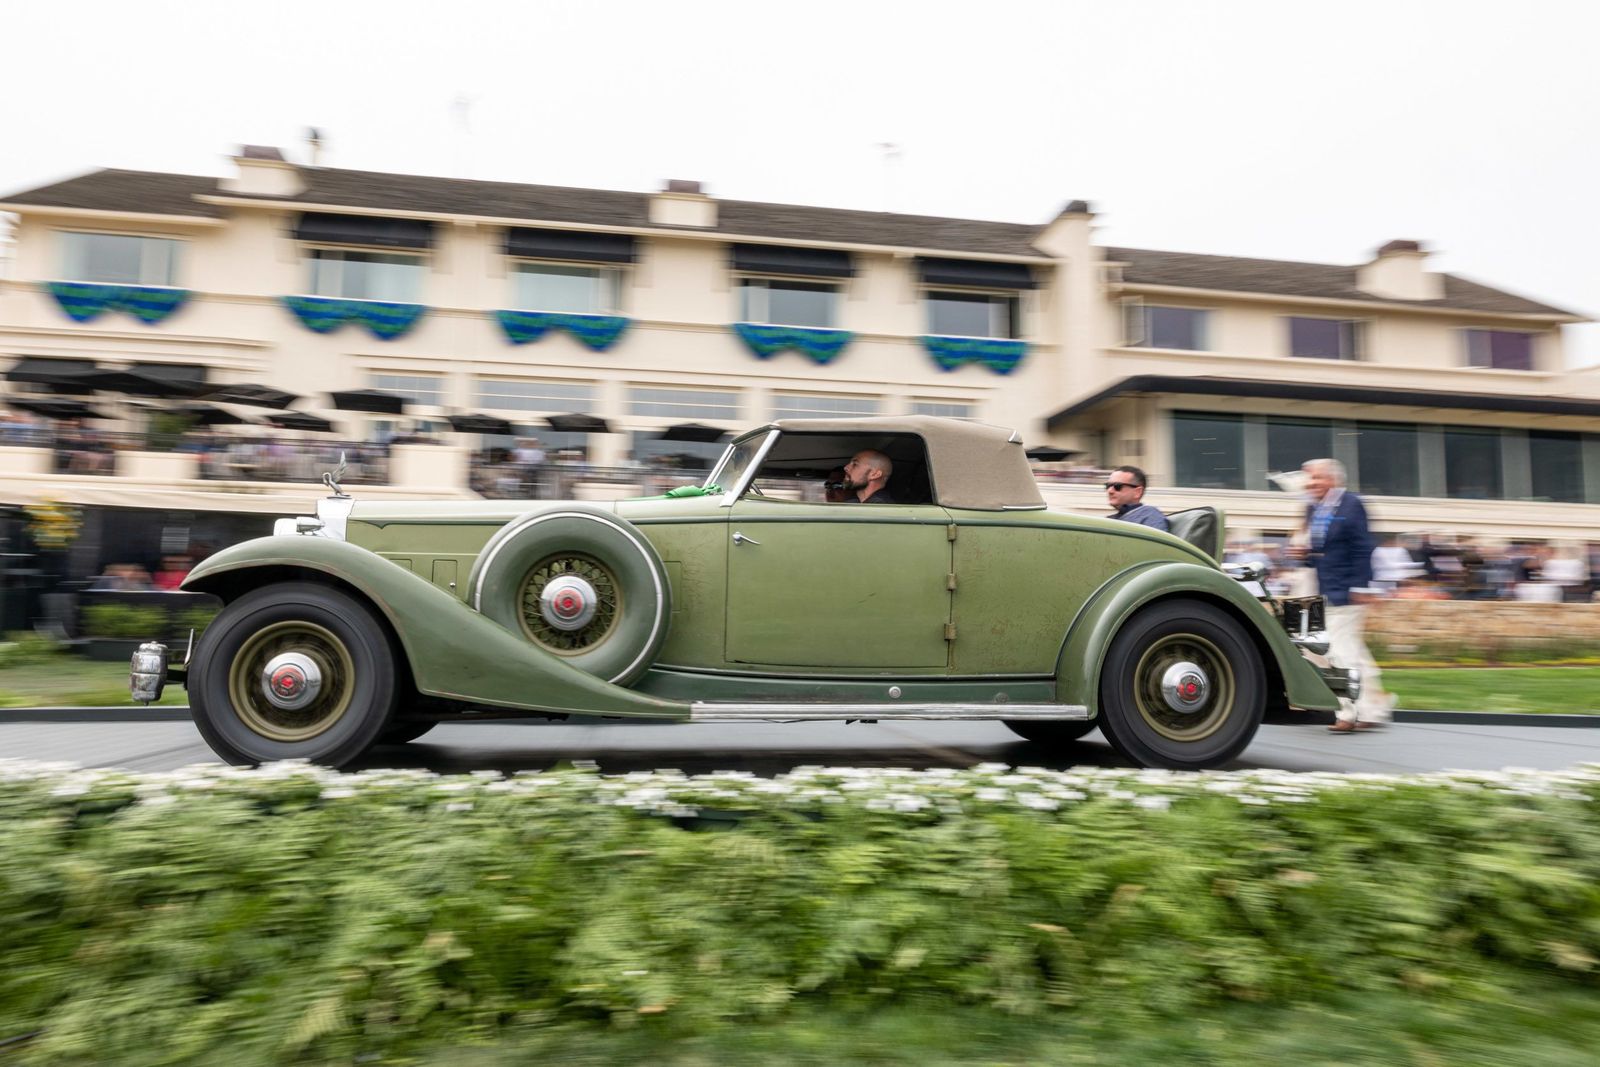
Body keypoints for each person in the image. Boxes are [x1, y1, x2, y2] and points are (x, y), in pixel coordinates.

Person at [1297, 458, 1392, 732]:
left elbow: (1364, 548)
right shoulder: (1314, 509)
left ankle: (1349, 712)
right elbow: (1320, 551)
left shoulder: (1352, 504)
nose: (1310, 483)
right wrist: (1304, 557)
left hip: (1348, 592)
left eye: (1316, 478)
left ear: (1332, 479)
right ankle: (1372, 709)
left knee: (1340, 651)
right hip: (1324, 590)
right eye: (1309, 479)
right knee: (1352, 652)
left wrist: (1361, 587)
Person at [1104, 466, 1168, 531]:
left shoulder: (1150, 515)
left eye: (1117, 486)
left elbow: (1155, 540)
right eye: (1108, 486)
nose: (1110, 491)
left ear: (1138, 492)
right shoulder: (1109, 520)